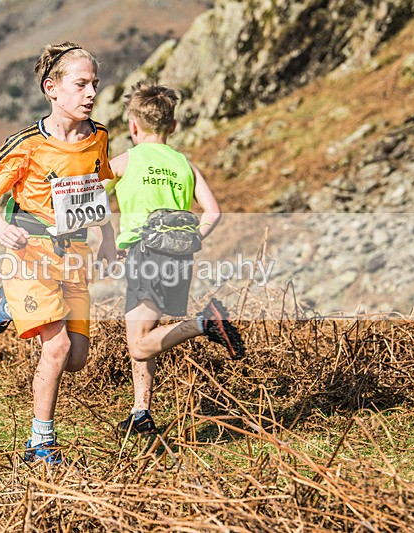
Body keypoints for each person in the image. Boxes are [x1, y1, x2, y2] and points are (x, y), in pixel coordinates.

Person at [0, 42, 116, 465]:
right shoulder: (25, 144)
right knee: (54, 350)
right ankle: (41, 443)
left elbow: (96, 191)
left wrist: (107, 236)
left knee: (76, 358)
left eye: (94, 84)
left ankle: (7, 303)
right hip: (28, 253)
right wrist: (1, 227)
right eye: (80, 84)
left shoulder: (100, 138)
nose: (90, 93)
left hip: (74, 254)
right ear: (51, 88)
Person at [107, 81, 244, 437]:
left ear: (133, 126)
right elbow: (213, 211)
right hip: (180, 258)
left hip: (144, 255)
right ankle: (141, 412)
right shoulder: (185, 164)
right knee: (146, 333)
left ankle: (203, 323)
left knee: (138, 343)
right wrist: (190, 238)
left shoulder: (125, 160)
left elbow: (91, 199)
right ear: (173, 126)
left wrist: (108, 239)